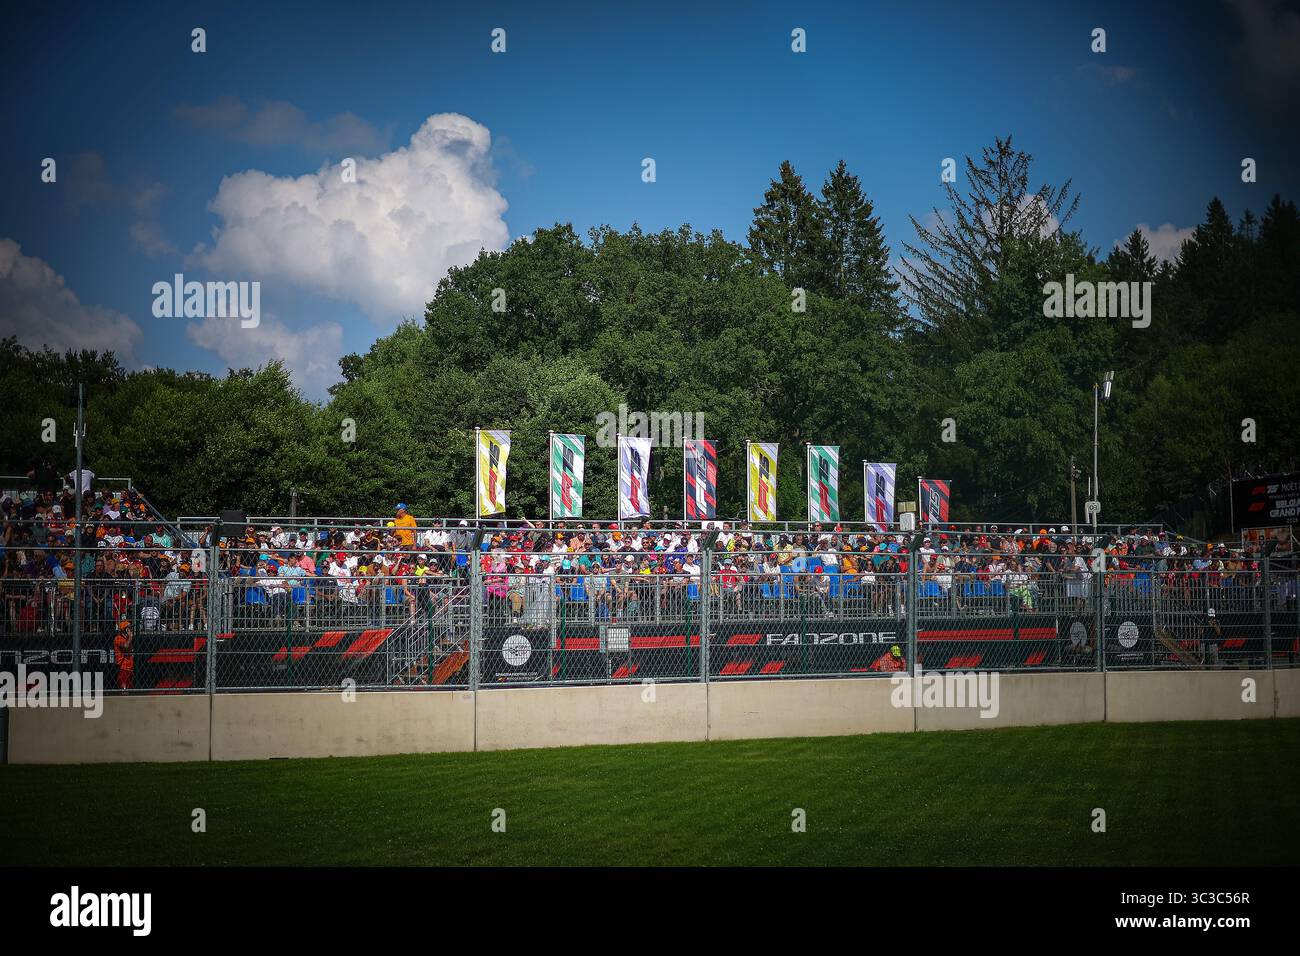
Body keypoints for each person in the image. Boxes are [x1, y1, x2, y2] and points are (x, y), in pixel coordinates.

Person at [114, 619, 135, 691]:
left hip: (130, 667)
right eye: (129, 628)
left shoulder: (127, 638)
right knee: (124, 689)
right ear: (125, 630)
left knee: (130, 689)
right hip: (123, 667)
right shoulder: (118, 638)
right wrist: (130, 637)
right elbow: (125, 646)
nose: (131, 629)